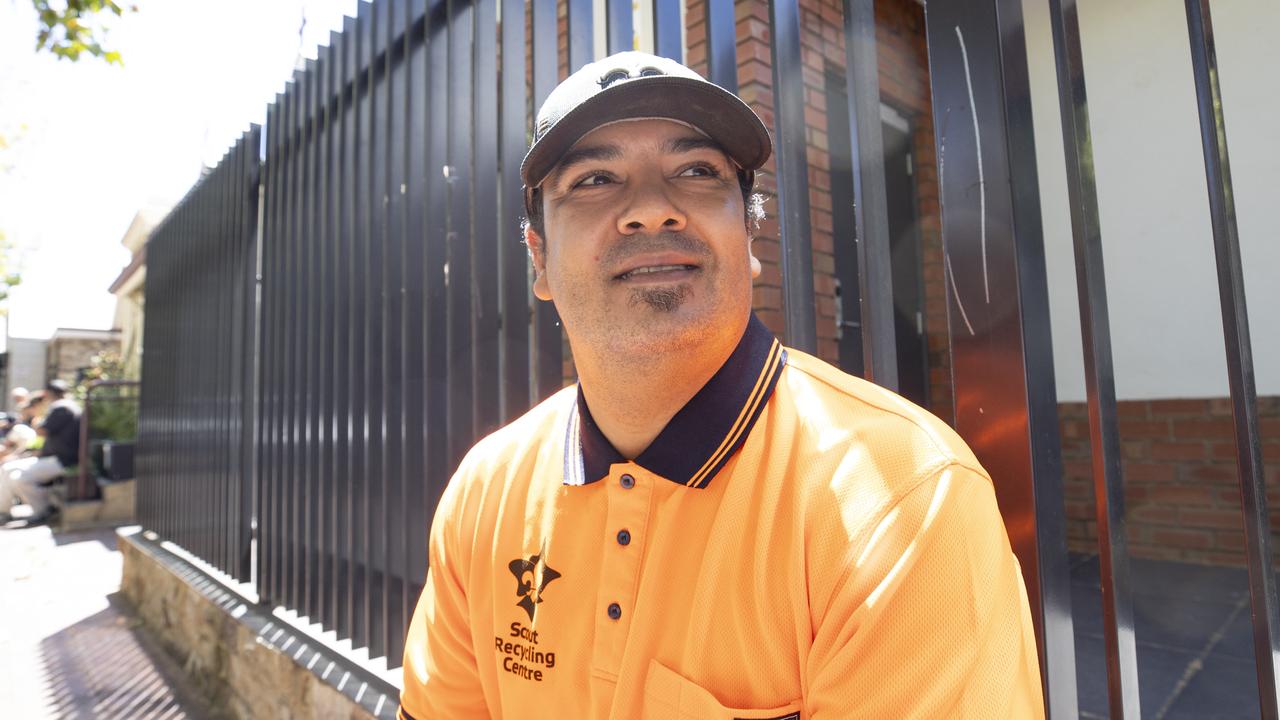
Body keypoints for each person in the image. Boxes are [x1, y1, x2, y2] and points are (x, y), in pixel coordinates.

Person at [399, 52, 1043, 719]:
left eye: (696, 171)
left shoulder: (902, 500)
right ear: (540, 259)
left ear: (749, 234)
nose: (650, 209)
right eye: (594, 179)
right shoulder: (485, 491)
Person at [0, 380, 80, 525]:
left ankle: (44, 509)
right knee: (6, 468)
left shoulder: (61, 407)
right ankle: (4, 511)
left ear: (48, 393)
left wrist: (39, 412)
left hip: (61, 460)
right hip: (54, 458)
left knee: (19, 478)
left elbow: (40, 431)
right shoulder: (66, 406)